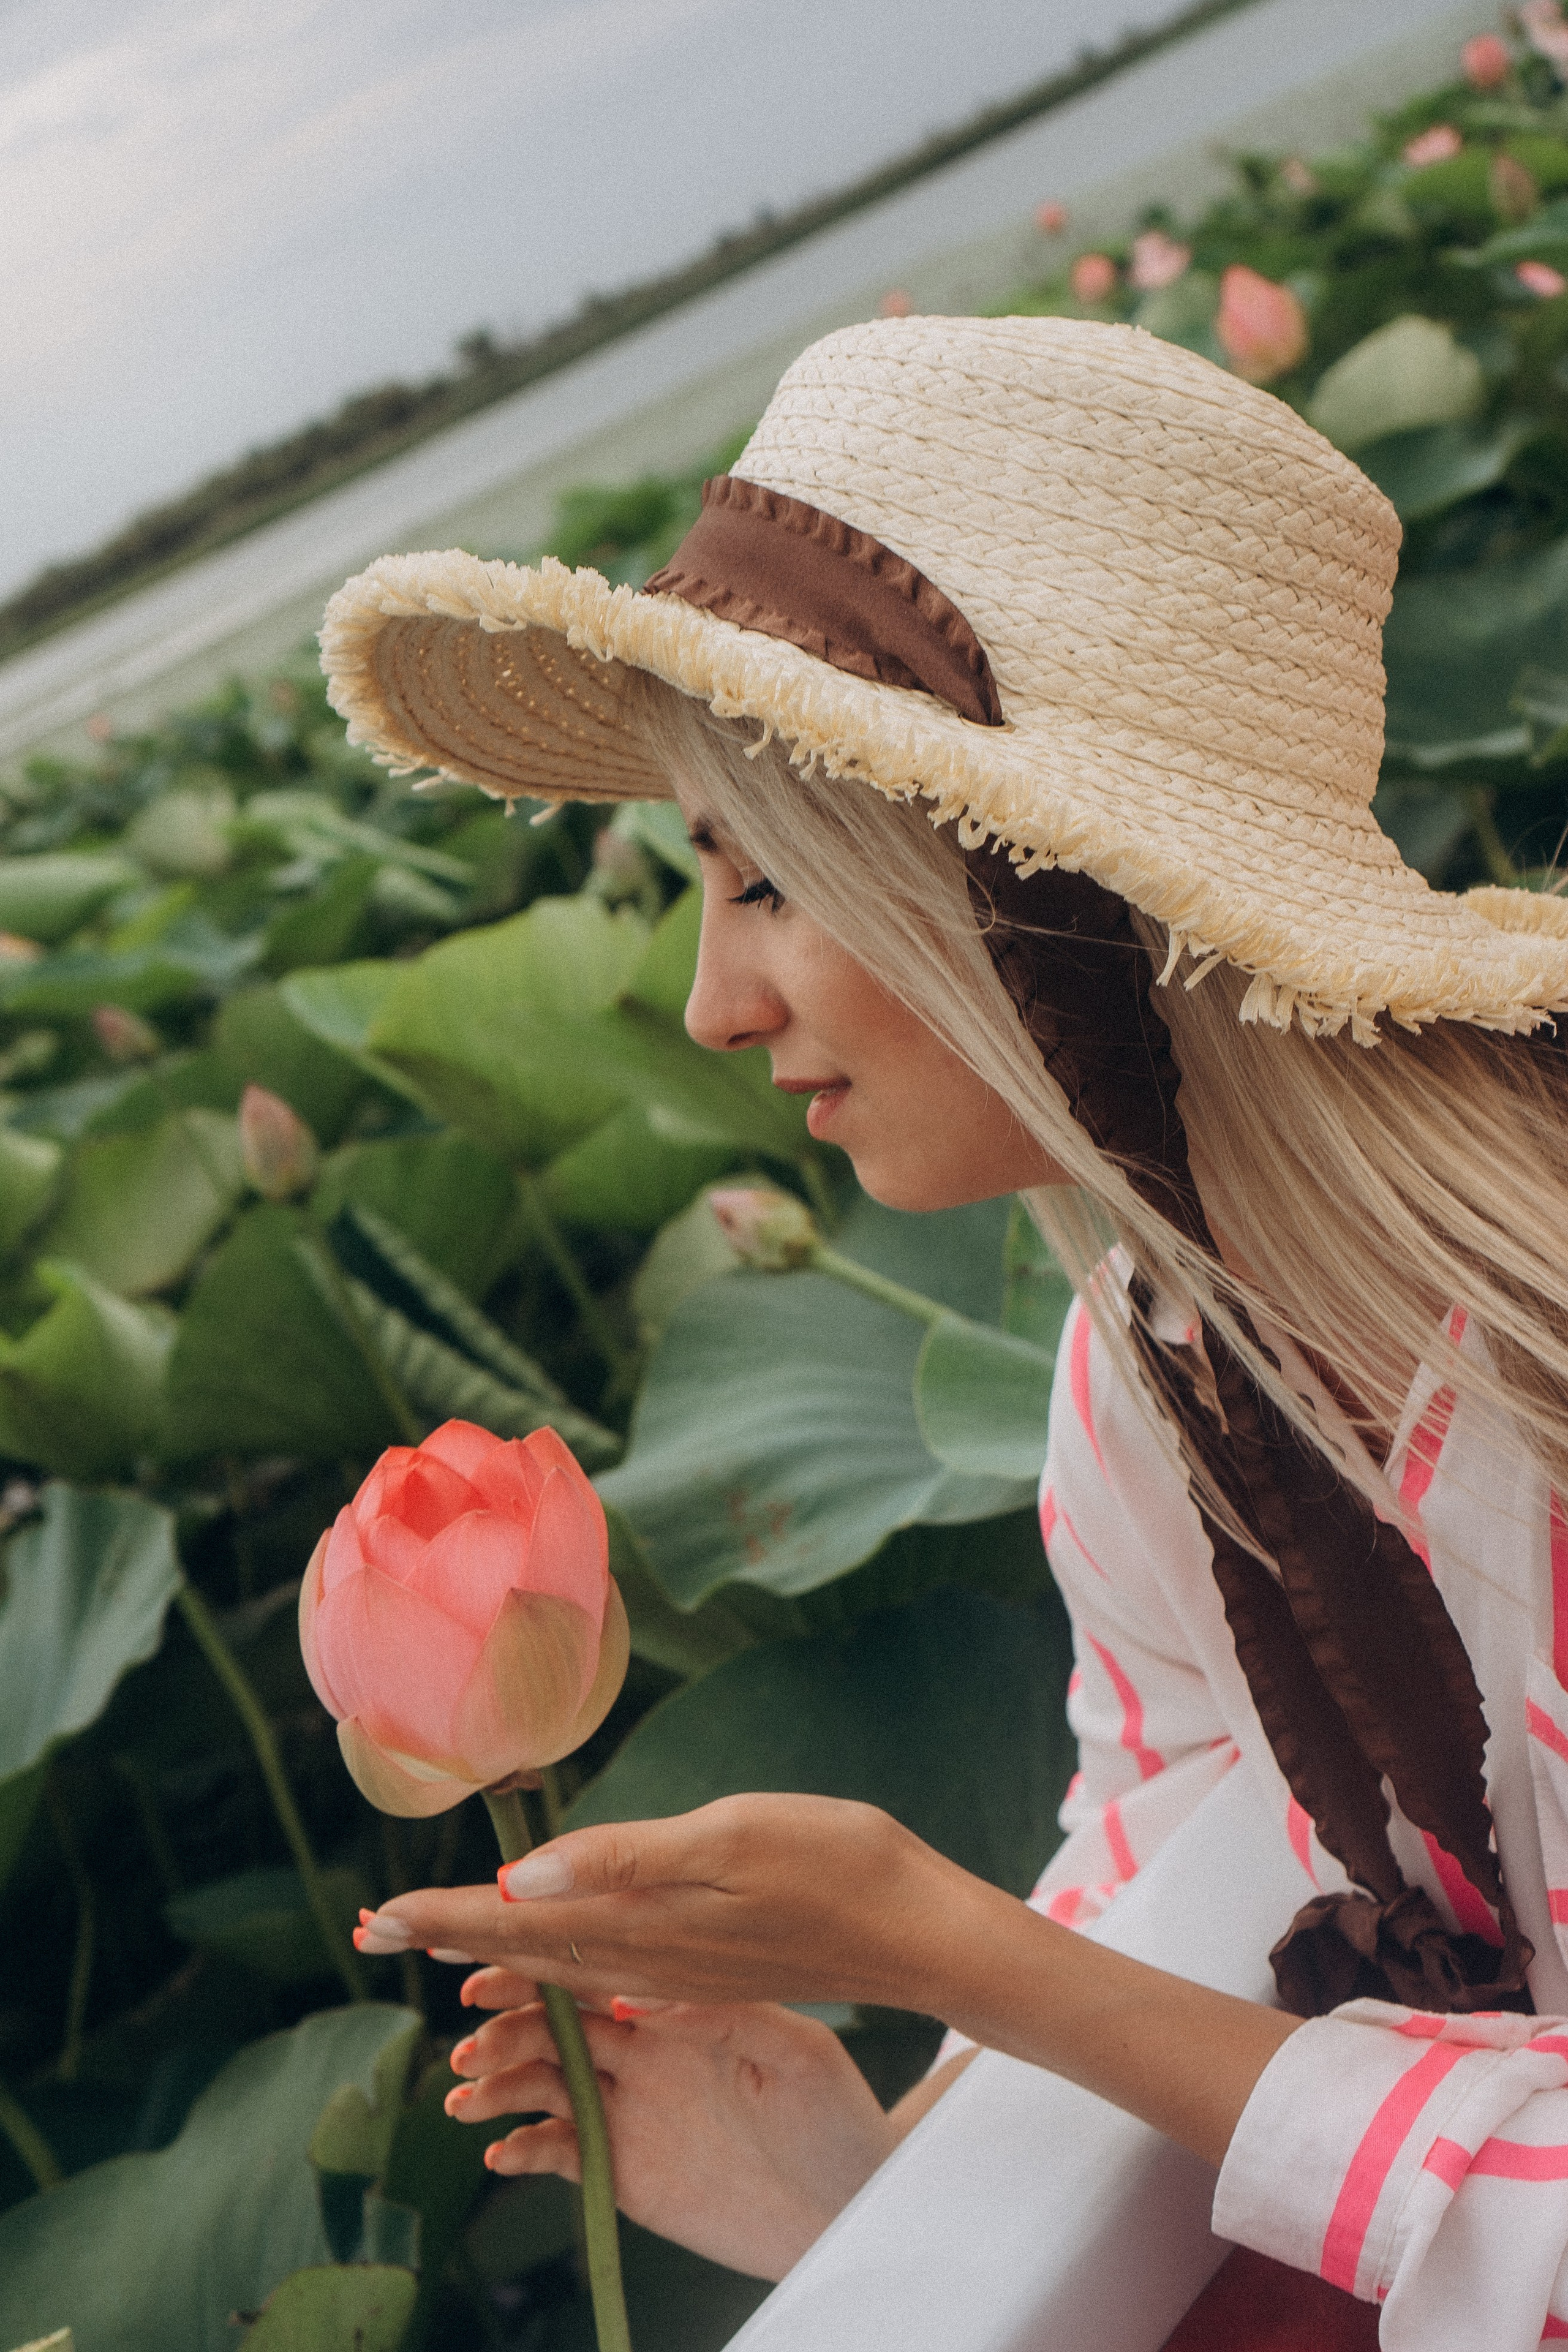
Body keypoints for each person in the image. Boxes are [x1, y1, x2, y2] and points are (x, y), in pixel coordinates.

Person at [323, 315, 1568, 2348]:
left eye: (763, 879)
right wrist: (862, 2174)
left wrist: (952, 1952)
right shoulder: (1153, 1377)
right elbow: (1168, 1868)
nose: (715, 1007)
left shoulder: (1538, 1356)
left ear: (1046, 893)